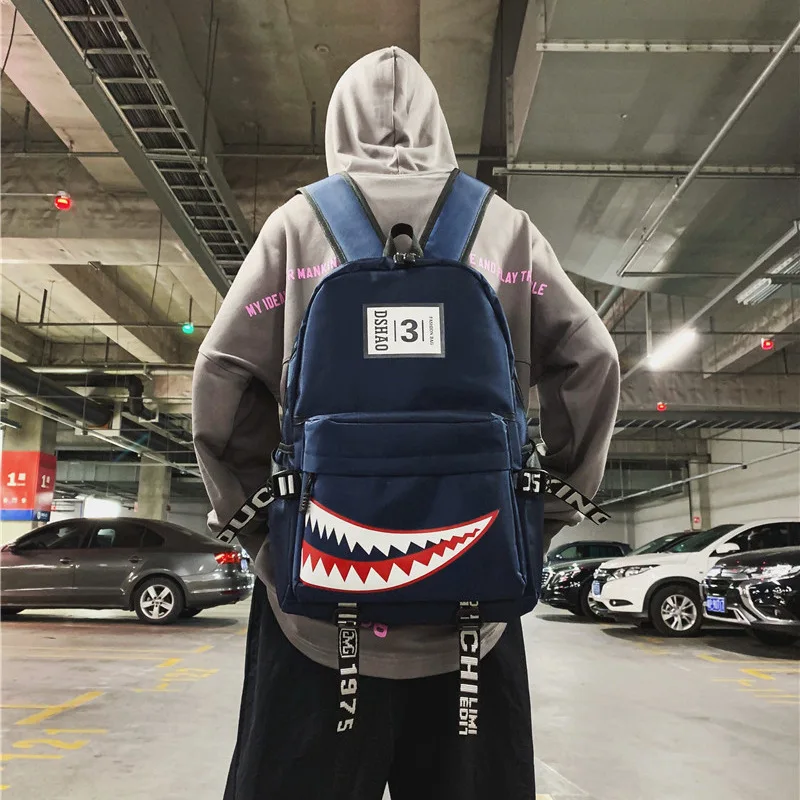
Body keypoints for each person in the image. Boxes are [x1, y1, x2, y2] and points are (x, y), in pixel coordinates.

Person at [193, 46, 619, 800]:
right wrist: (536, 519)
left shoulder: (298, 226)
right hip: (476, 617)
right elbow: (593, 360)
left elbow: (222, 378)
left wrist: (267, 537)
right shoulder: (505, 230)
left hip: (316, 619)